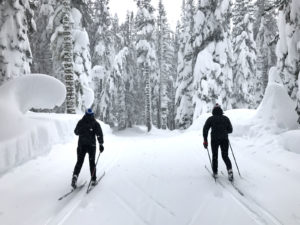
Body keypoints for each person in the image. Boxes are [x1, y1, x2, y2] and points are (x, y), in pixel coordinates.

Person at [71, 108, 104, 188]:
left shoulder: (81, 122)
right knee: (92, 162)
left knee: (79, 162)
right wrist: (101, 144)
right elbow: (99, 134)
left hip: (81, 146)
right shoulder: (95, 123)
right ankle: (93, 180)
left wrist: (82, 130)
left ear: (85, 114)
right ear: (92, 114)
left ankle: (75, 177)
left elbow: (76, 132)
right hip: (91, 146)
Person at [203, 103, 233, 181]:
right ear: (220, 110)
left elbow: (205, 130)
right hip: (224, 139)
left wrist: (205, 141)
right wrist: (224, 130)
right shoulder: (225, 118)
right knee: (225, 156)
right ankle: (230, 170)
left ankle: (215, 172)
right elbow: (230, 130)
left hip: (214, 139)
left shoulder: (210, 119)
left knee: (215, 156)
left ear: (213, 111)